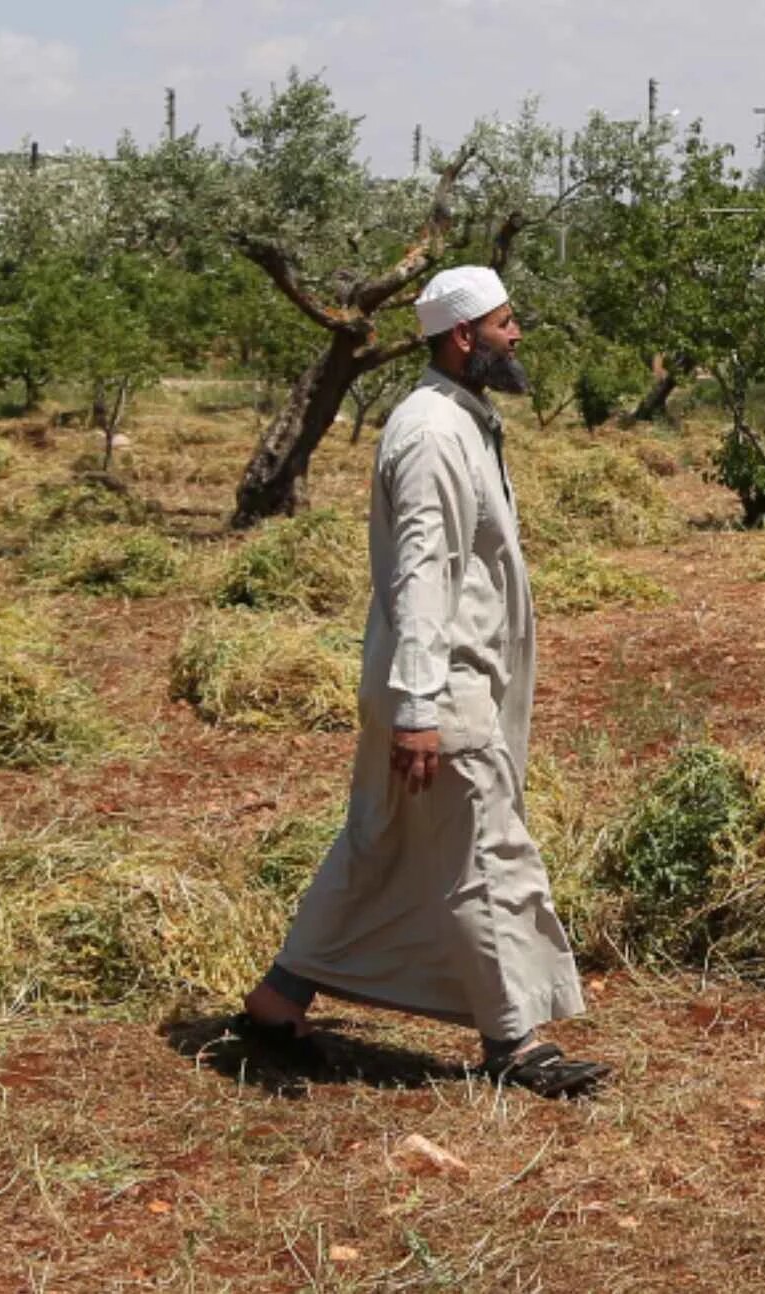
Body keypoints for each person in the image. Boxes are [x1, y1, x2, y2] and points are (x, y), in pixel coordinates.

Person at [232, 266, 608, 1099]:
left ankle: (278, 1001)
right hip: (441, 689)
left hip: (437, 682)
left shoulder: (456, 420)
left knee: (380, 843)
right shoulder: (434, 433)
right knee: (484, 850)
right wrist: (418, 708)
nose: (518, 335)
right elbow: (422, 578)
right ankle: (513, 1040)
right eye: (505, 323)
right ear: (463, 335)